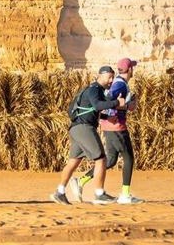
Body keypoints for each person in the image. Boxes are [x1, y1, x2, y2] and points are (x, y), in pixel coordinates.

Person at [50, 66, 125, 206]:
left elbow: (91, 110)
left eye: (113, 77)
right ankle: (99, 194)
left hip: (76, 128)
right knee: (101, 159)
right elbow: (97, 105)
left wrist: (106, 117)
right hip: (84, 128)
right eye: (109, 77)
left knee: (73, 162)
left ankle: (59, 192)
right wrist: (117, 103)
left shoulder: (96, 90)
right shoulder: (94, 89)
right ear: (100, 75)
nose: (111, 80)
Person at [72, 57, 142, 204]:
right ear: (130, 69)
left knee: (110, 160)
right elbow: (108, 101)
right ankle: (125, 195)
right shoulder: (120, 84)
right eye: (132, 68)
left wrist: (125, 105)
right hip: (116, 126)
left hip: (110, 125)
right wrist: (126, 106)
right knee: (129, 158)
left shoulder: (119, 83)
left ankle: (81, 181)